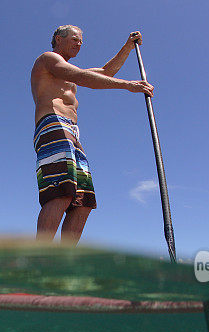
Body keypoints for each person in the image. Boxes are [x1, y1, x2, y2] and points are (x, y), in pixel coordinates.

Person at [31, 26, 154, 244]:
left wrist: (127, 46)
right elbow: (82, 77)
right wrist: (128, 85)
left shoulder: (67, 70)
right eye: (75, 39)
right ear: (59, 39)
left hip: (72, 132)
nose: (80, 44)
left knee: (83, 200)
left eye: (81, 41)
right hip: (53, 124)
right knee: (61, 191)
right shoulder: (48, 59)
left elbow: (106, 72)